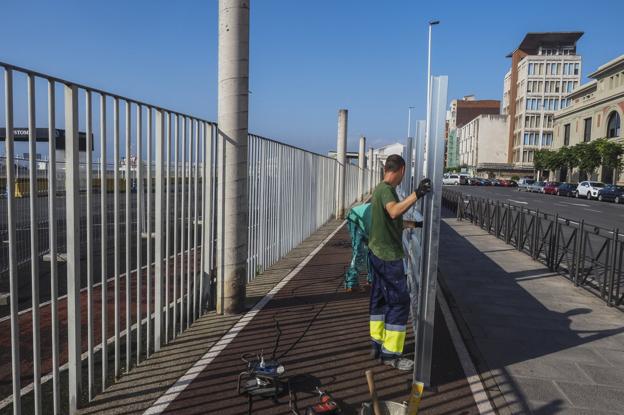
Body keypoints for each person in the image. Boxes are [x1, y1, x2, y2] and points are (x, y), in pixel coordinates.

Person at [368, 154, 431, 371]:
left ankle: (376, 343)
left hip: (377, 253)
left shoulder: (380, 190)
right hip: (388, 256)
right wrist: (418, 194)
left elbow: (392, 221)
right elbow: (394, 211)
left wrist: (416, 225)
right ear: (401, 170)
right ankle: (390, 354)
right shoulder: (386, 190)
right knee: (399, 302)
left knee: (379, 299)